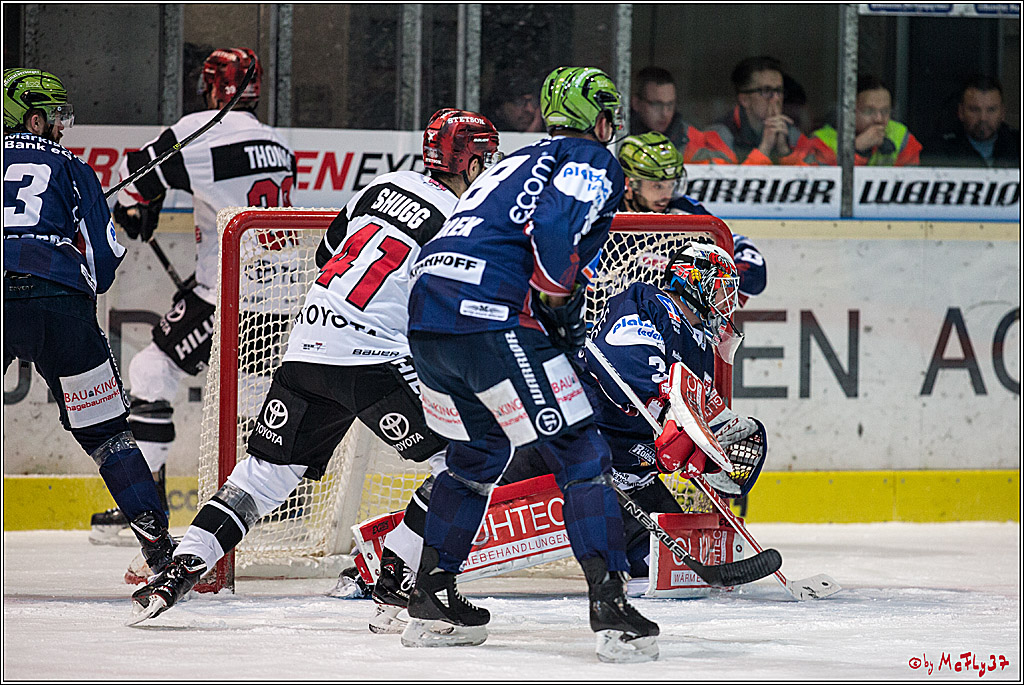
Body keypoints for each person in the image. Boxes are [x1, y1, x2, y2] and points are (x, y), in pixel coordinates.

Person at [126, 108, 502, 624]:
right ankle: (396, 577)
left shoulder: (384, 186)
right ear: (474, 160)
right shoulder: (463, 221)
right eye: (487, 156)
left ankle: (180, 569)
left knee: (263, 476)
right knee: (468, 460)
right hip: (375, 362)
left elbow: (328, 251)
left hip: (305, 349)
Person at [401, 65, 660, 663]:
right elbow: (551, 231)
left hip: (429, 322)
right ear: (598, 116)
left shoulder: (512, 162)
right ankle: (610, 603)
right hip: (489, 317)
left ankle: (432, 595)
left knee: (479, 454)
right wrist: (555, 300)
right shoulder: (591, 158)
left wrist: (549, 306)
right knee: (584, 454)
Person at [89, 48, 297, 543]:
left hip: (227, 294)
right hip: (285, 293)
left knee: (149, 371)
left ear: (210, 87)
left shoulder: (199, 129)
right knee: (255, 398)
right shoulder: (278, 144)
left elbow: (137, 173)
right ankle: (276, 511)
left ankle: (142, 508)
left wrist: (143, 210)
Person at [3, 68, 175, 574]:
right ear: (32, 117)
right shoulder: (74, 168)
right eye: (54, 116)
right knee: (108, 437)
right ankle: (161, 553)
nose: (60, 126)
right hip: (60, 301)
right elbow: (105, 259)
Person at [617, 132, 767, 305]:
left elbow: (753, 269)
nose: (666, 194)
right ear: (631, 183)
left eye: (671, 184)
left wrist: (725, 273)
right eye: (657, 186)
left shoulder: (685, 212)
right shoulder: (605, 212)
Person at [711, 55, 831, 166]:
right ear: (744, 100)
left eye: (779, 91)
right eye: (766, 91)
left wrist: (784, 151)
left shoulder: (791, 134)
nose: (776, 98)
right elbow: (726, 185)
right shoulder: (719, 135)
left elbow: (813, 182)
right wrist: (765, 148)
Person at [630, 66, 736, 164]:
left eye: (670, 104)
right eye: (656, 104)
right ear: (636, 103)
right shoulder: (618, 140)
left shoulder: (695, 141)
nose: (665, 113)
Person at [811, 75, 922, 166]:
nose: (879, 119)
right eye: (869, 111)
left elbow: (911, 183)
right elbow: (826, 184)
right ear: (848, 111)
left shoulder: (900, 135)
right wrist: (857, 150)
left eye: (885, 111)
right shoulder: (822, 141)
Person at [922, 75, 1019, 168]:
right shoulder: (937, 150)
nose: (983, 118)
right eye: (974, 109)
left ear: (1002, 113)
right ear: (961, 112)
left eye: (991, 110)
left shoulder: (1017, 144)